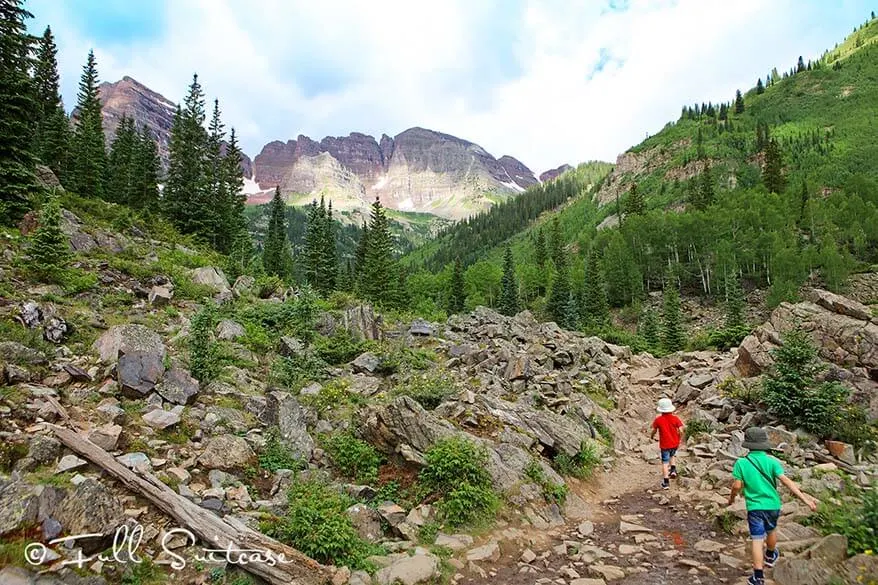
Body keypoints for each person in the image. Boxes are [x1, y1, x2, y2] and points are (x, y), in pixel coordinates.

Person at [728, 427, 818, 585]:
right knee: (771, 530)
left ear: (748, 444)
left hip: (755, 507)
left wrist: (732, 498)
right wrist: (805, 500)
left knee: (756, 539)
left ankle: (758, 576)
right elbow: (786, 481)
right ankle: (770, 555)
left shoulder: (741, 463)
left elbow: (736, 485)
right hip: (773, 505)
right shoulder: (772, 462)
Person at [650, 397, 684, 490]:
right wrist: (679, 437)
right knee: (672, 456)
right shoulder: (675, 418)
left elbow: (654, 430)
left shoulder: (658, 420)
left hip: (665, 444)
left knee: (665, 462)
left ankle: (666, 482)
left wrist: (652, 436)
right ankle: (673, 470)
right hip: (675, 442)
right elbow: (681, 430)